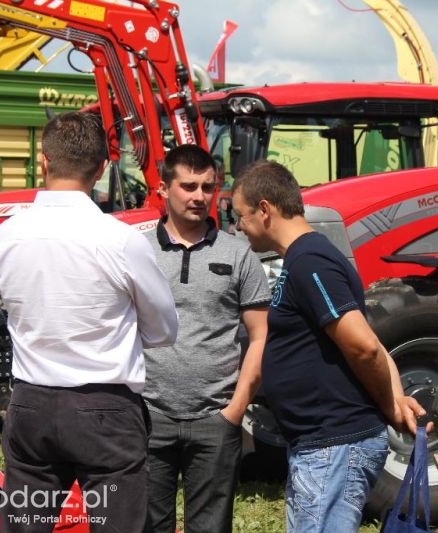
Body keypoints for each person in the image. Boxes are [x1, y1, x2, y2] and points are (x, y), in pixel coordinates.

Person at [0, 111, 178, 533]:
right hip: (105, 410)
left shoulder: (6, 234)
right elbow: (164, 331)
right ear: (103, 168)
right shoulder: (121, 239)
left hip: (31, 402)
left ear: (43, 161)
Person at [231, 160, 428, 533]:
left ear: (264, 210)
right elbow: (368, 339)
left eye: (241, 216)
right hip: (322, 446)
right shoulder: (303, 259)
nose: (239, 227)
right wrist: (397, 396)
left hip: (333, 446)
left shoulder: (309, 262)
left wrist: (389, 406)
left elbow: (363, 347)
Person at [143, 145, 271, 533]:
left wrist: (234, 411)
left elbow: (261, 335)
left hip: (215, 418)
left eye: (208, 187)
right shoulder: (138, 251)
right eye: (188, 186)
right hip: (149, 416)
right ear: (164, 188)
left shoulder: (239, 254)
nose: (199, 196)